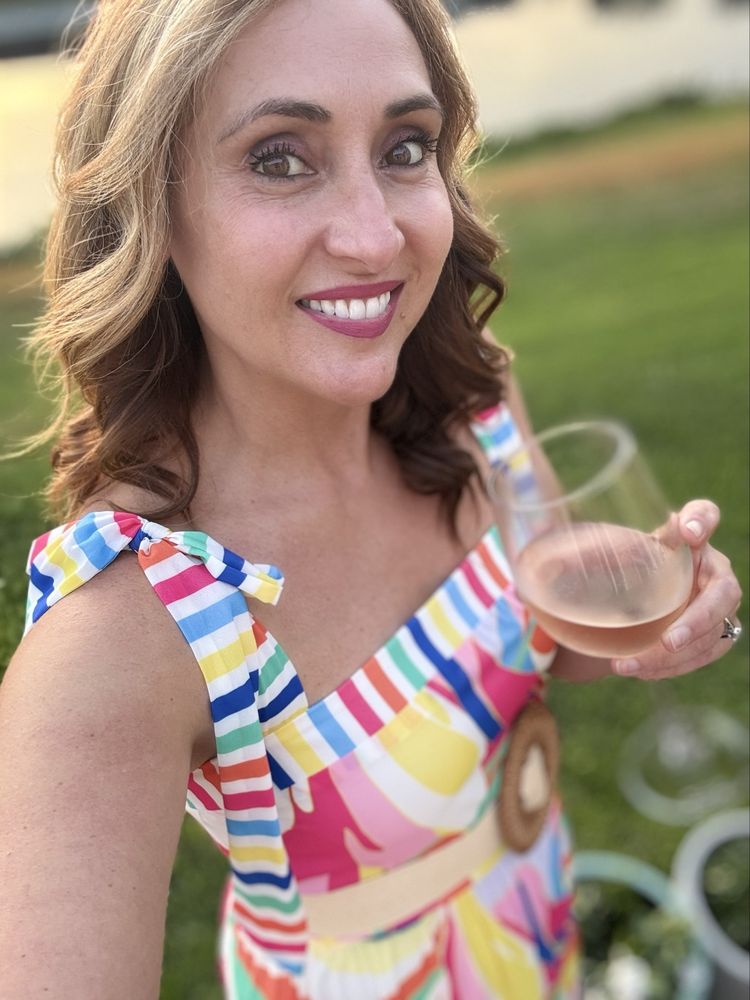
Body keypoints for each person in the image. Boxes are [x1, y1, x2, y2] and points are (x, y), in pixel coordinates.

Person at [0, 0, 742, 997]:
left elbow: (546, 639)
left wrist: (657, 611)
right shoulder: (124, 637)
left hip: (537, 943)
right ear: (153, 207)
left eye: (405, 147)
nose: (374, 234)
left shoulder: (474, 401)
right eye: (279, 158)